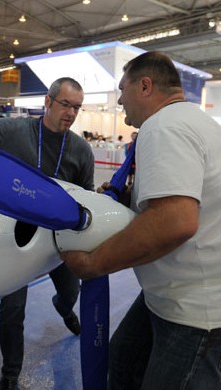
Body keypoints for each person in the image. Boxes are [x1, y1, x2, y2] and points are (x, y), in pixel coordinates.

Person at [61, 51, 221, 389]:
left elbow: (175, 220)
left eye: (123, 89)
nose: (119, 100)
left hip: (194, 311)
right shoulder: (194, 121)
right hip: (167, 293)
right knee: (122, 359)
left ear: (145, 86)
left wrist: (94, 263)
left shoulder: (165, 127)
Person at [0, 77, 94, 390]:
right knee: (12, 309)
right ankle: (11, 374)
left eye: (77, 107)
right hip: (17, 237)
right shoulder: (14, 131)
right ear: (48, 102)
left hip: (59, 239)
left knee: (71, 293)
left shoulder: (81, 151)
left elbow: (87, 196)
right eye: (65, 104)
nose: (71, 112)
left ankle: (64, 309)